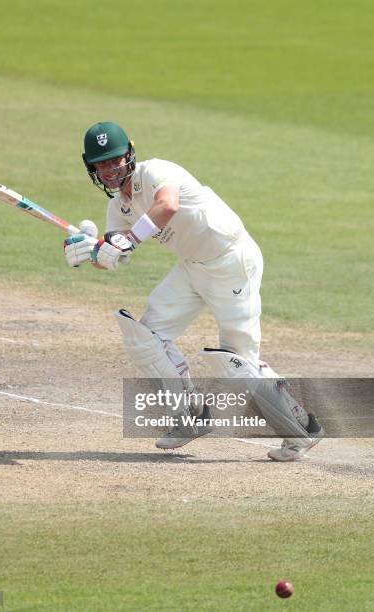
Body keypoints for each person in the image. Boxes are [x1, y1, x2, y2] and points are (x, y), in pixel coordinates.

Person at [64, 121, 323, 461]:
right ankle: (190, 415)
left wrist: (127, 239)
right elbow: (116, 255)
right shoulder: (118, 208)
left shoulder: (157, 171)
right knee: (145, 338)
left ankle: (302, 429)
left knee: (236, 362)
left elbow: (167, 205)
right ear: (92, 167)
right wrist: (92, 253)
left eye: (116, 160)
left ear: (130, 154)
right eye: (103, 164)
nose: (111, 169)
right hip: (191, 267)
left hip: (231, 261)